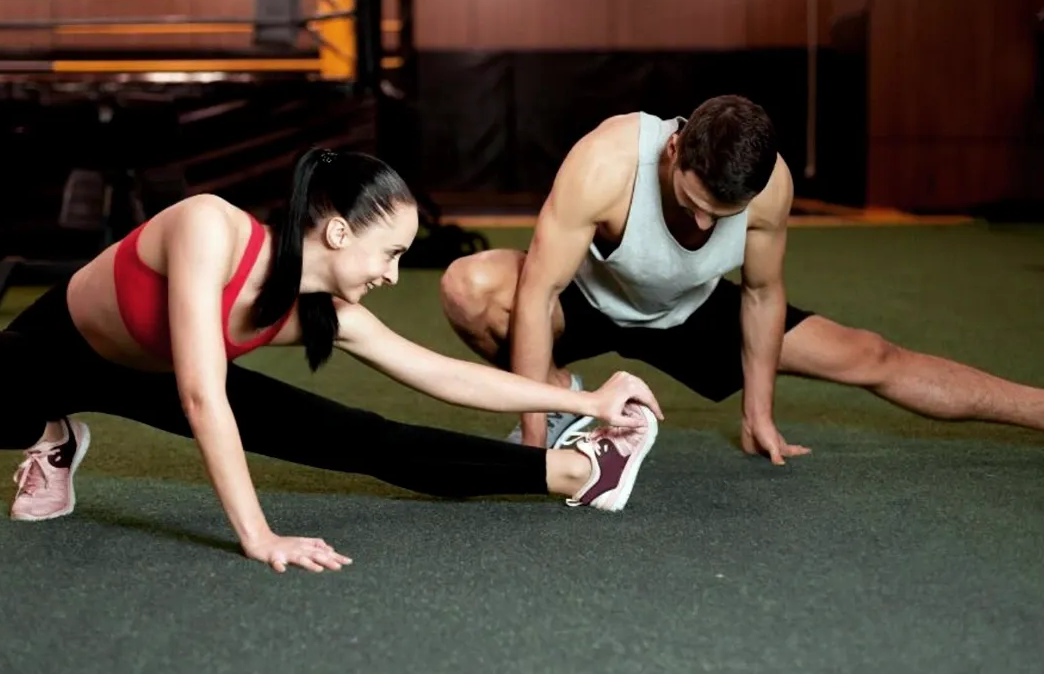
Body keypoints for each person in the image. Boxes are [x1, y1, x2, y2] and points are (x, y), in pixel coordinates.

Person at [0, 148, 663, 575]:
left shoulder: (329, 313)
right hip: (56, 355)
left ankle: (572, 472)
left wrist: (591, 407)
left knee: (370, 440)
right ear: (335, 233)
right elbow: (201, 396)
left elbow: (439, 372)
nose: (395, 275)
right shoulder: (209, 229)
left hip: (157, 376)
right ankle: (55, 432)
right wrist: (259, 534)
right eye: (389, 252)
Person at [439, 95, 1044, 458]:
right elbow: (541, 287)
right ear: (675, 149)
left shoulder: (769, 185)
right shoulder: (606, 161)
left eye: (721, 214)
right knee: (470, 285)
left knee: (873, 355)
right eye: (692, 200)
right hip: (588, 298)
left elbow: (761, 292)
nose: (704, 221)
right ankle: (563, 399)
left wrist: (759, 411)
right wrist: (534, 441)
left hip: (690, 311)